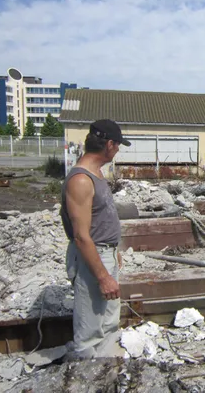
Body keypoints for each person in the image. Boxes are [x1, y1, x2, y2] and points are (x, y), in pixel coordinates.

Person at [61, 119, 131, 358]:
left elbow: (100, 219)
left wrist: (114, 250)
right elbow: (81, 237)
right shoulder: (81, 180)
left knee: (109, 320)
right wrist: (102, 276)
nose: (119, 150)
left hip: (105, 252)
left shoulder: (96, 174)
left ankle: (106, 369)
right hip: (92, 257)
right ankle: (86, 372)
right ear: (109, 144)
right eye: (118, 145)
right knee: (91, 326)